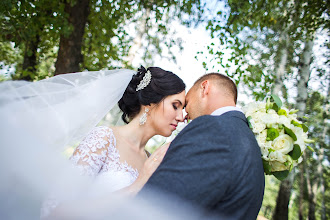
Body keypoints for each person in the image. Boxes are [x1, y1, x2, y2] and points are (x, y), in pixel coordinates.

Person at [40, 66, 186, 218]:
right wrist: (136, 186)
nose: (181, 117)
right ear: (149, 103)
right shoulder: (104, 138)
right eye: (175, 106)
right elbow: (55, 209)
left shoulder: (151, 161)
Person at [139, 73, 265, 219]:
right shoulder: (251, 145)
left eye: (186, 104)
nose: (185, 115)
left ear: (205, 88)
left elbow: (156, 205)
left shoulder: (212, 128)